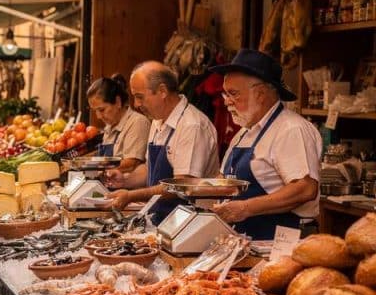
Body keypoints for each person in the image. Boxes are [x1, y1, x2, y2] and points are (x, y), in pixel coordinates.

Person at [208, 50, 322, 239]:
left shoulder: (291, 129)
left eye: (233, 93)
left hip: (280, 240)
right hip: (244, 240)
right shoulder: (244, 132)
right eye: (224, 94)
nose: (226, 101)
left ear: (260, 93)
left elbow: (305, 188)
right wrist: (197, 190)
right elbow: (224, 179)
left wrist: (245, 208)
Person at [107, 61, 220, 224]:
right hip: (161, 219)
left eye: (139, 97)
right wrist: (125, 180)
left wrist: (131, 195)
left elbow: (181, 186)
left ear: (162, 91)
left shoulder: (191, 125)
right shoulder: (157, 120)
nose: (136, 105)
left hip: (188, 224)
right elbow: (149, 169)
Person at [88, 73, 151, 172]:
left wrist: (94, 168)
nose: (98, 116)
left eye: (102, 110)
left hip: (127, 186)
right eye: (95, 111)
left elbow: (131, 164)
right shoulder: (109, 126)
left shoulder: (137, 123)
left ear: (118, 102)